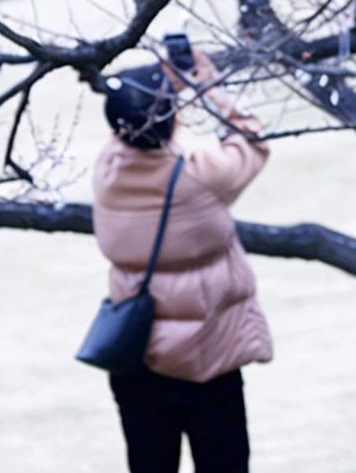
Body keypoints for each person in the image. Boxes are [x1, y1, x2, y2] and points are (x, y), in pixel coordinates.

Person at [93, 41, 272, 473]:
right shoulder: (200, 178)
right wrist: (202, 82)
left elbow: (131, 116)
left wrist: (159, 85)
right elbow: (251, 135)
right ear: (171, 118)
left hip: (137, 359)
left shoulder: (107, 171)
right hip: (208, 358)